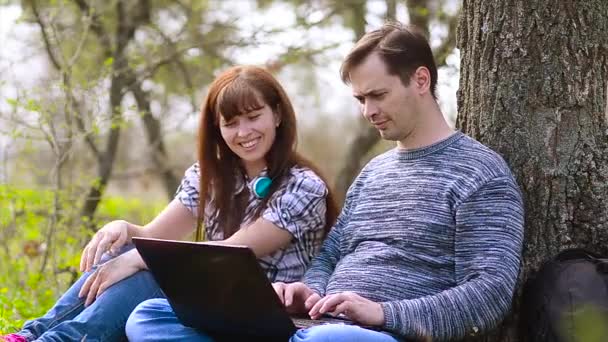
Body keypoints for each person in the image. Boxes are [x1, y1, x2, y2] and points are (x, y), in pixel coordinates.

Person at [1, 65, 337, 342]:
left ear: (277, 114)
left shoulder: (303, 187)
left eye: (253, 116)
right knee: (118, 250)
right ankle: (30, 335)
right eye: (230, 122)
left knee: (149, 272)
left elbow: (227, 255)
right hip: (210, 299)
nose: (243, 131)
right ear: (217, 129)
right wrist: (122, 229)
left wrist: (139, 259)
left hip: (263, 311)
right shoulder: (211, 176)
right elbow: (151, 235)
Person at [269, 22, 525, 341]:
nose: (368, 111)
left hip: (389, 335)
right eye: (361, 99)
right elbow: (328, 258)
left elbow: (489, 295)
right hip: (323, 328)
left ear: (420, 80)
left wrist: (384, 314)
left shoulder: (479, 173)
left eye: (378, 95)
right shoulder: (373, 173)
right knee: (192, 323)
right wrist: (309, 294)